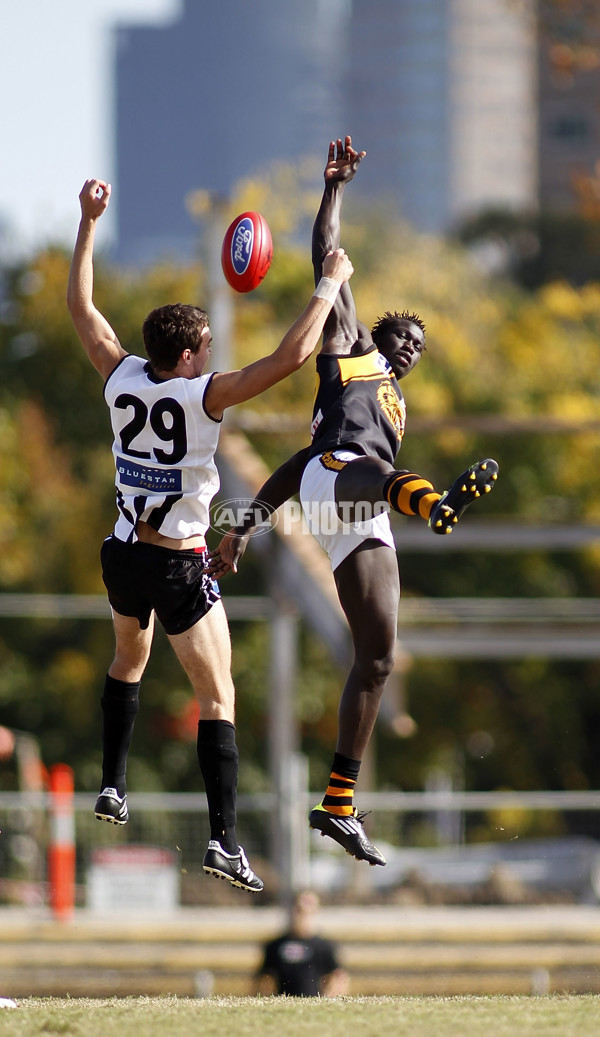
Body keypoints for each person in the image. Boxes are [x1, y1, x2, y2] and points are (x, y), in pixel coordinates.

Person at [209, 137, 499, 869]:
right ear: (376, 331)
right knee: (378, 470)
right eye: (404, 336)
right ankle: (434, 506)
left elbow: (293, 464)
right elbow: (326, 256)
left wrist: (244, 523)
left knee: (377, 659)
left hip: (347, 498)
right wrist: (333, 187)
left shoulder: (394, 406)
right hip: (343, 478)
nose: (409, 350)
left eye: (418, 349)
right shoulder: (350, 345)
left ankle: (338, 803)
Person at [66, 177, 354, 894]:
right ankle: (224, 840)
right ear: (190, 355)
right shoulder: (205, 394)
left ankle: (112, 785)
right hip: (177, 566)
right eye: (205, 345)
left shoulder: (121, 375)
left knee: (127, 662)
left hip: (122, 555)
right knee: (217, 696)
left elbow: (82, 309)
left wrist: (87, 223)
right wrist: (328, 284)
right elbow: (288, 360)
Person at [254, 889, 349, 997]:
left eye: (308, 909)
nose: (303, 914)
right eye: (299, 909)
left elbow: (339, 978)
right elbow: (263, 980)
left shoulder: (325, 946)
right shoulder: (275, 946)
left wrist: (326, 1001)